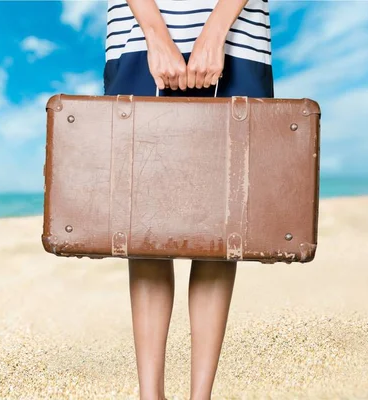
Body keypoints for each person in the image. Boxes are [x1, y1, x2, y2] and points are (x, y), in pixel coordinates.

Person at [103, 0, 274, 399]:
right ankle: (151, 396)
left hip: (239, 39)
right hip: (136, 39)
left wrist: (216, 31)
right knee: (143, 225)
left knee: (221, 227)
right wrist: (155, 33)